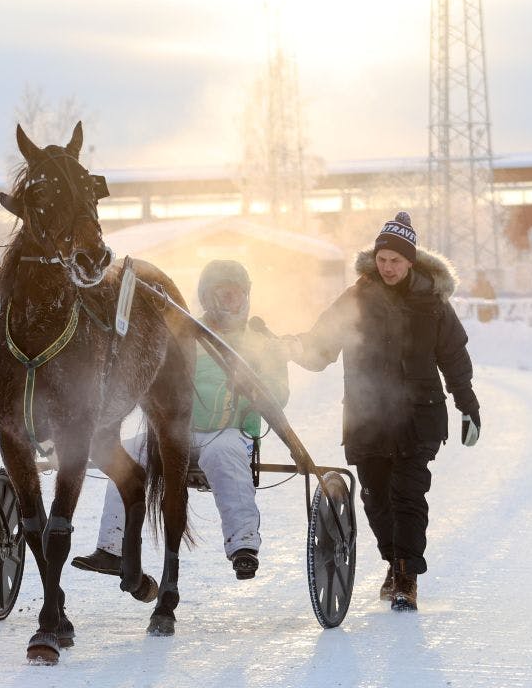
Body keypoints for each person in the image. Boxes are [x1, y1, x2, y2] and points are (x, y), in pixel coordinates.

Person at [286, 211, 480, 612]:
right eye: (382, 259)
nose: (387, 267)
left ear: (411, 261)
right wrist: (285, 347)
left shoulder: (433, 303)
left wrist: (468, 405)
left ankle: (407, 575)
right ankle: (393, 562)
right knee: (375, 498)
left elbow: (454, 358)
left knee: (408, 495)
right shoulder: (356, 299)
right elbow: (321, 347)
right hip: (367, 416)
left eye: (396, 260)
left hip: (418, 418)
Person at [72, 259, 290, 580]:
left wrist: (257, 390)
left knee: (223, 454)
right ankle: (111, 548)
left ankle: (243, 543)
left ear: (247, 297)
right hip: (175, 434)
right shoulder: (184, 333)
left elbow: (279, 394)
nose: (231, 302)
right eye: (222, 295)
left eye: (236, 295)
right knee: (127, 454)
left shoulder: (259, 340)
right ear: (206, 298)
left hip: (228, 432)